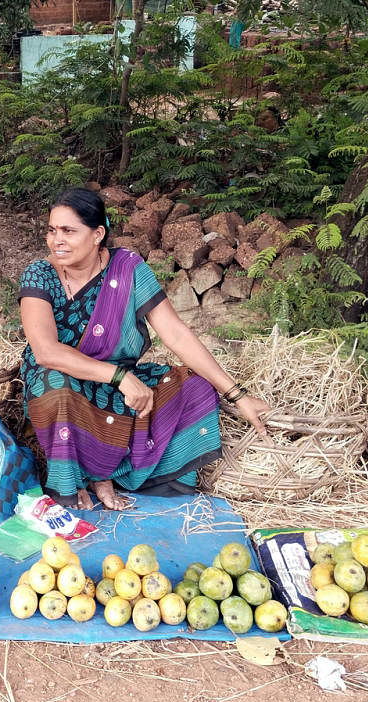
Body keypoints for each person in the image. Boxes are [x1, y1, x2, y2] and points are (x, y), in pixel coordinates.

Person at [19, 188, 271, 510]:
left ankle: (106, 470)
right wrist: (119, 376)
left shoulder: (128, 269)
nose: (57, 240)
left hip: (114, 388)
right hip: (61, 378)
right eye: (52, 230)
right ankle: (81, 477)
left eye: (69, 231)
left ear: (97, 234)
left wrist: (237, 394)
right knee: (57, 390)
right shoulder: (40, 274)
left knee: (195, 386)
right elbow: (46, 352)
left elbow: (176, 334)